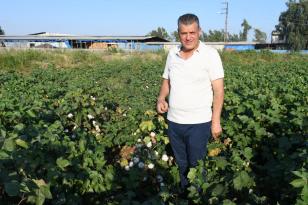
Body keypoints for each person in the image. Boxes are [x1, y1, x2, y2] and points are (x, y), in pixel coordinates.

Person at [156, 13, 224, 192]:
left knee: (196, 166)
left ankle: (198, 197)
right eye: (184, 33)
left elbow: (219, 91)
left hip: (199, 123)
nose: (188, 37)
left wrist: (215, 122)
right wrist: (161, 98)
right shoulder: (172, 54)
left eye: (192, 32)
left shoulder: (210, 54)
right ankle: (186, 196)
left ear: (199, 31)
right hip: (174, 122)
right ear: (178, 33)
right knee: (182, 164)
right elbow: (167, 81)